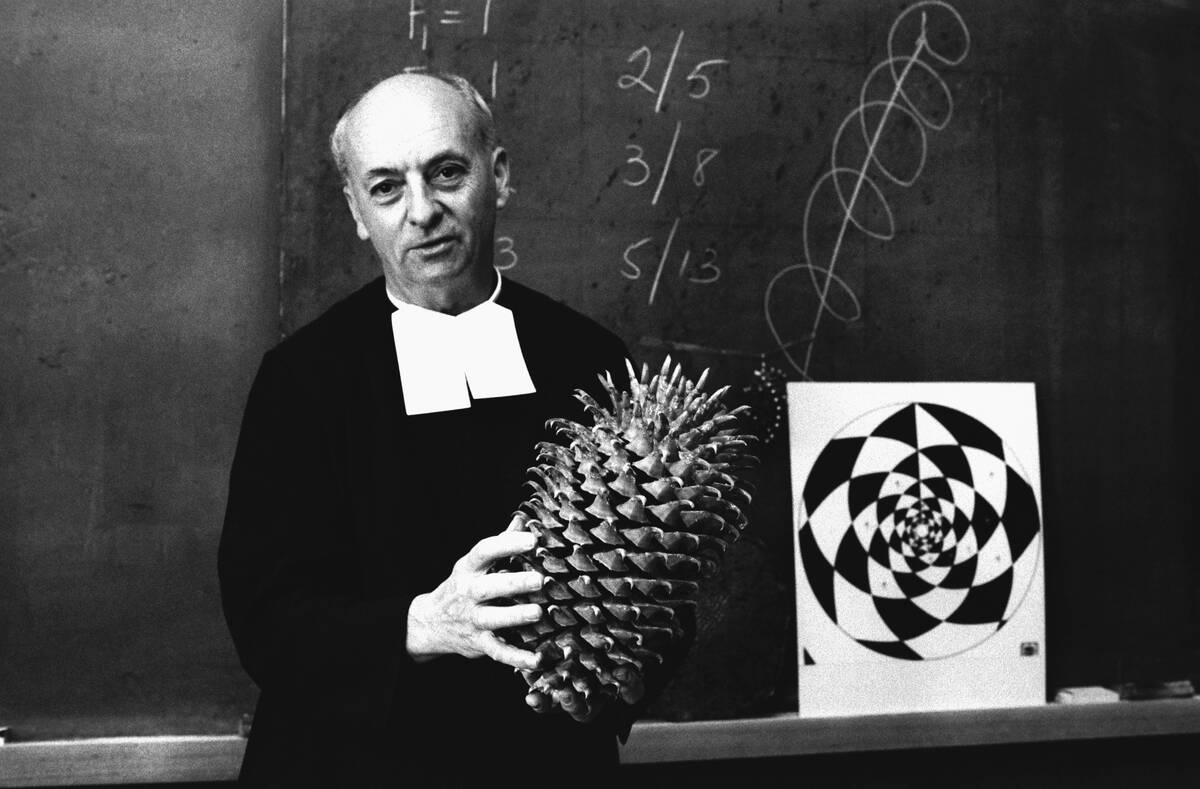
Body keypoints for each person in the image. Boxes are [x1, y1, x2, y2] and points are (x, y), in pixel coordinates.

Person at [218, 72, 645, 785]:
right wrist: (424, 622)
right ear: (357, 210)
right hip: (348, 767)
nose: (423, 211)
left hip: (545, 766)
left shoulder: (591, 360)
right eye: (386, 187)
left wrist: (629, 666)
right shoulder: (302, 379)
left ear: (498, 176)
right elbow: (265, 616)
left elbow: (656, 583)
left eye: (447, 172)